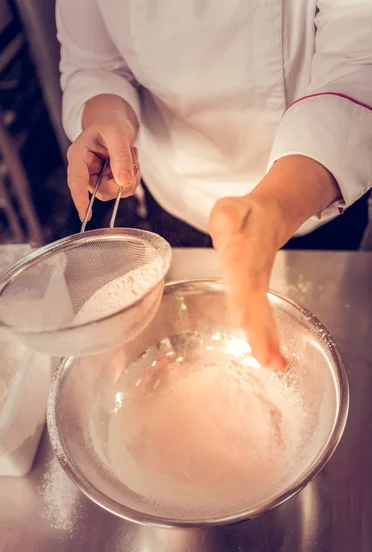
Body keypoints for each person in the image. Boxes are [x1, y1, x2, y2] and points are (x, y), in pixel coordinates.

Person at [56, 0, 372, 370]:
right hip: (178, 188)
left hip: (313, 187)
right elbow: (95, 65)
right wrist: (109, 118)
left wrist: (275, 205)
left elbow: (360, 59)